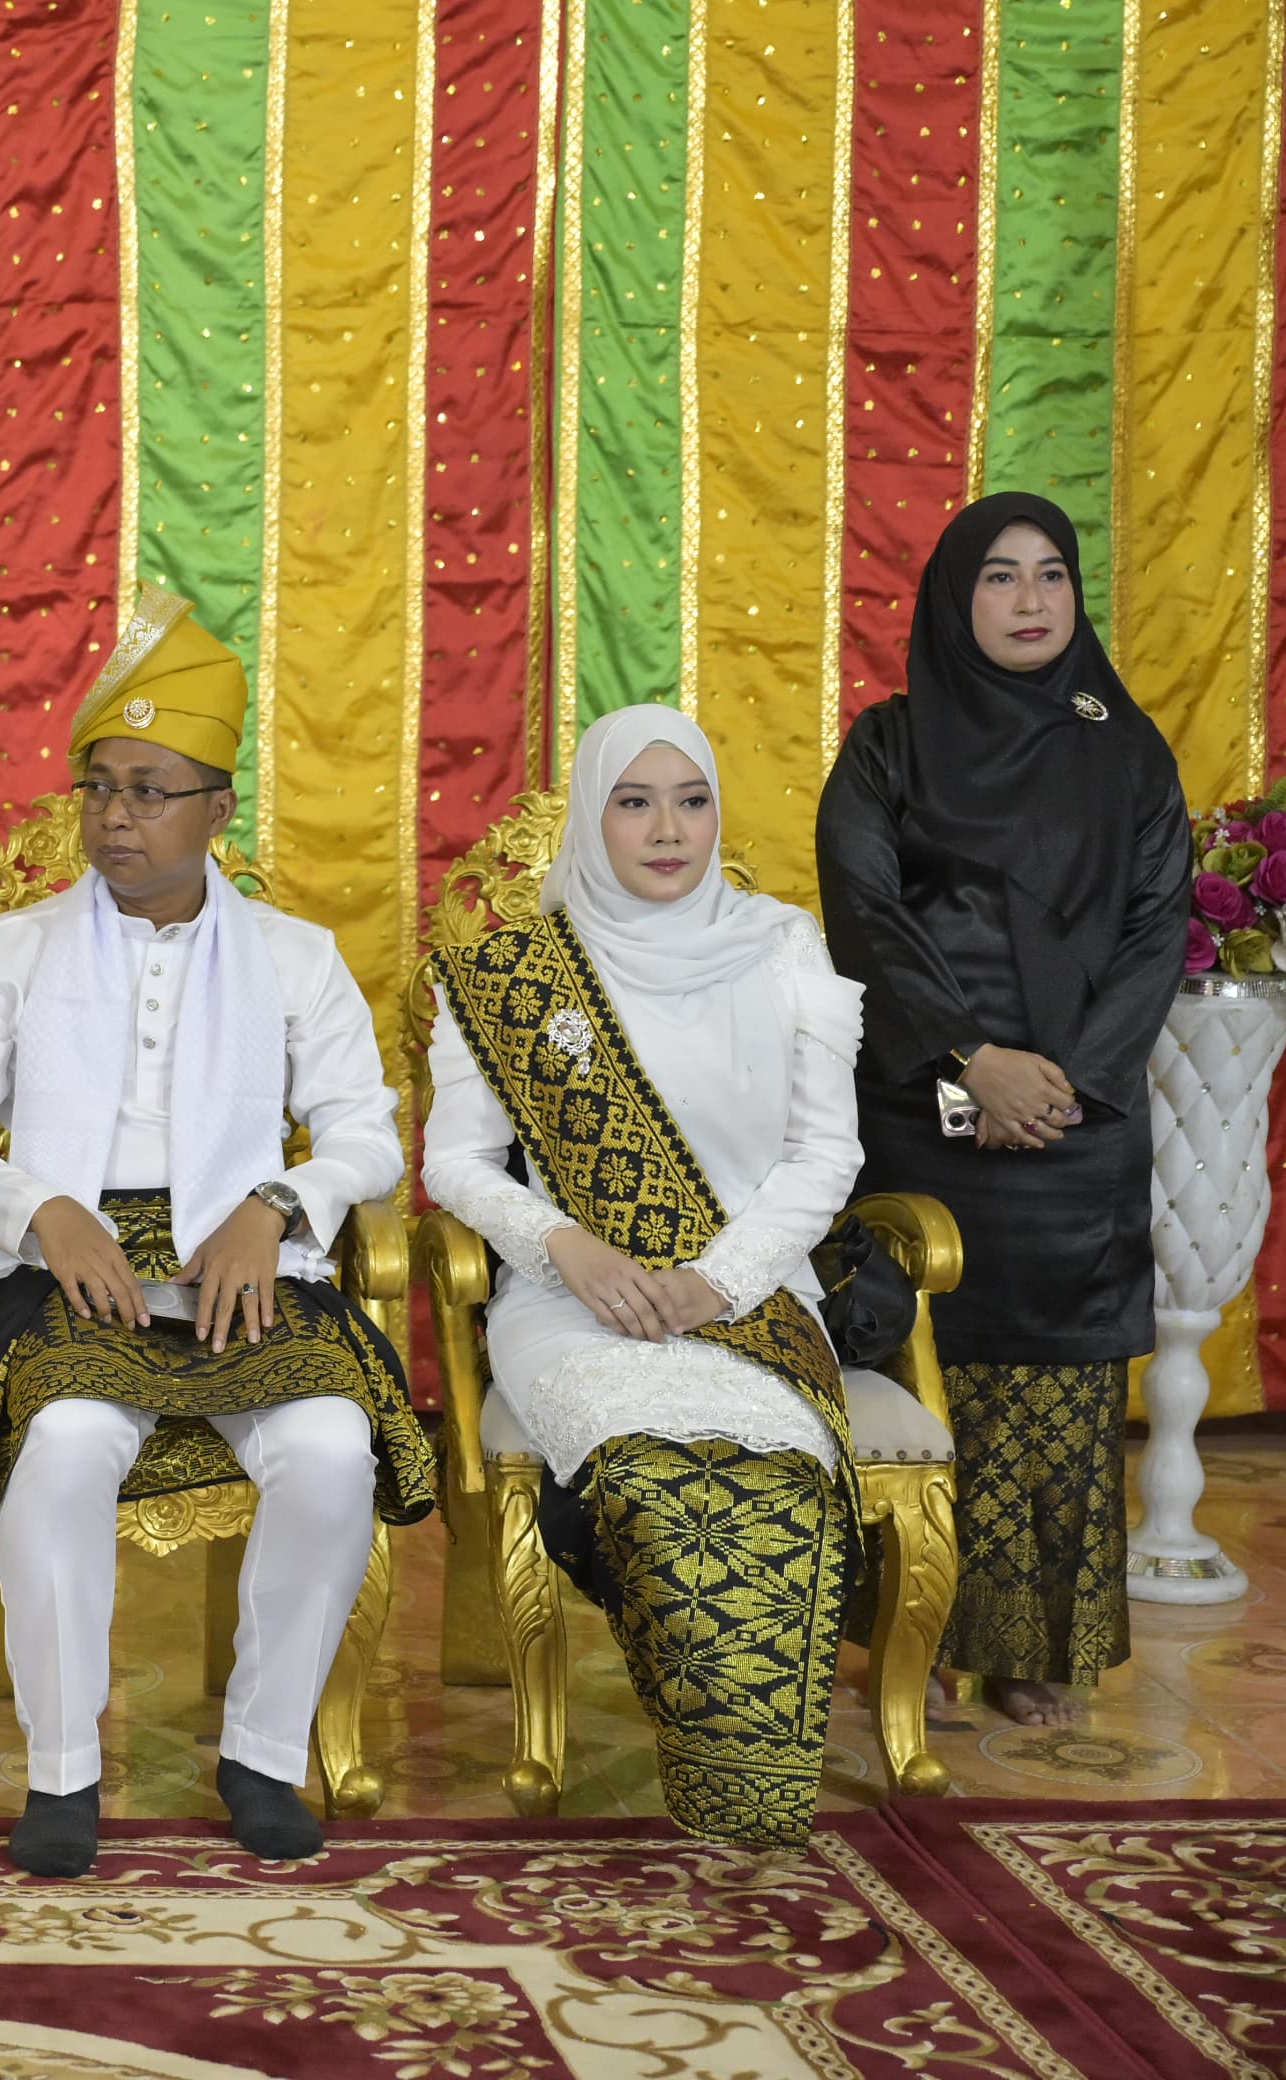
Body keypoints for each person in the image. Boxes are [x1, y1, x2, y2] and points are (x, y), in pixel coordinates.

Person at [0, 581, 436, 1880]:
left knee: (329, 1443)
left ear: (217, 810)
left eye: (149, 790)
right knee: (68, 1445)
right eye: (99, 788)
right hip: (73, 1282)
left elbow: (370, 1132)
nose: (116, 817)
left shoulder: (297, 958)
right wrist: (40, 1208)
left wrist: (280, 1203)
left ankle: (261, 1752)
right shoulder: (4, 955)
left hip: (247, 1273)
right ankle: (65, 1774)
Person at [425, 705, 867, 1848]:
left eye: (691, 800)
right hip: (574, 1305)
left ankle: (750, 1785)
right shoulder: (512, 972)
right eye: (634, 802)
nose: (667, 829)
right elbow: (455, 1164)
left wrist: (718, 1281)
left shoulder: (786, 947)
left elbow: (828, 1154)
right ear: (591, 816)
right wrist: (568, 1246)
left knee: (775, 1482)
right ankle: (720, 1766)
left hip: (754, 1301)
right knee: (646, 1480)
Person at [819, 494, 1189, 1728]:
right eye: (999, 577)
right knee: (915, 1366)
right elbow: (865, 915)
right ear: (951, 599)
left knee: (1059, 1391)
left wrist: (1066, 1085)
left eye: (1051, 576)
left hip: (1076, 1129)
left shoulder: (1129, 752)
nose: (1030, 601)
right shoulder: (891, 746)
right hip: (925, 1113)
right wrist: (972, 1055)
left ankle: (1025, 1647)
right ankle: (893, 1638)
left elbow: (1154, 933)